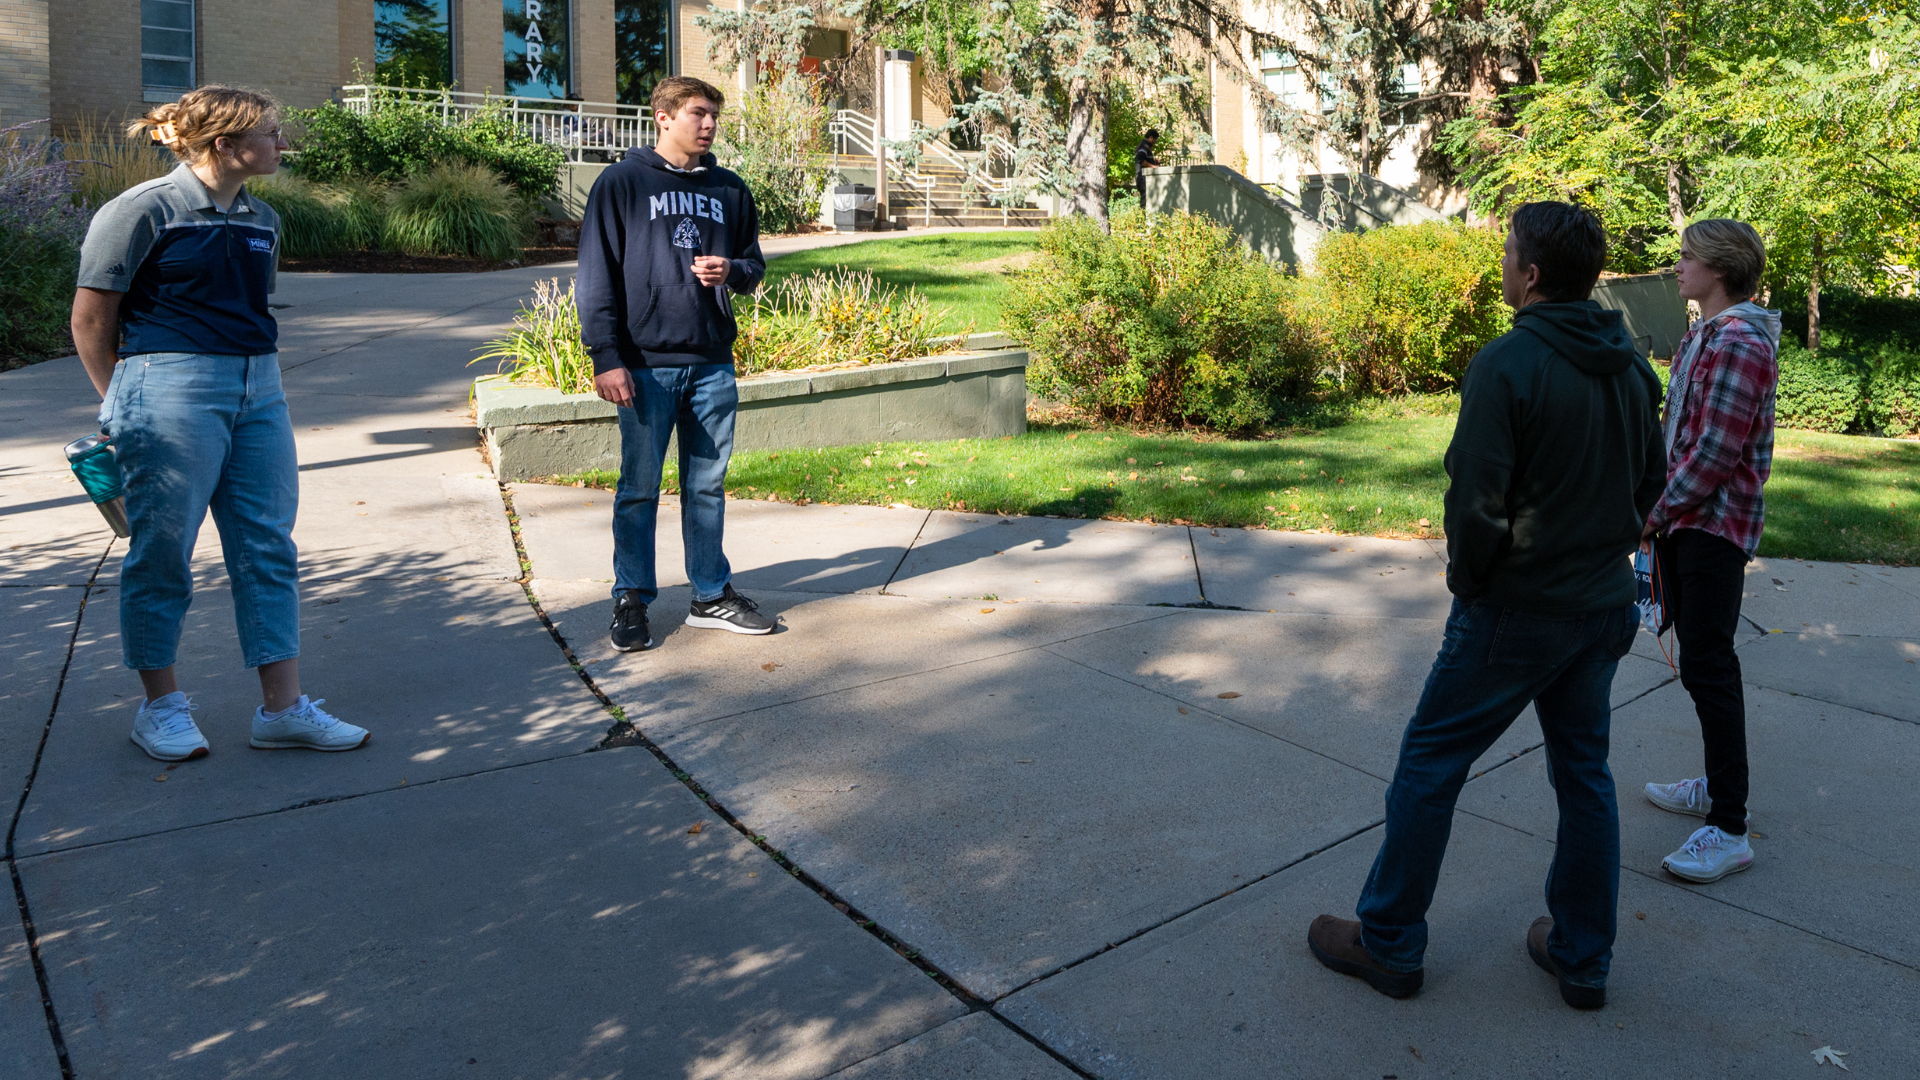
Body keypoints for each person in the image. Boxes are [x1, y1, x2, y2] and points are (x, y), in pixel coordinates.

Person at [1307, 202, 1665, 1010]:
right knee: (1586, 776)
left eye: (1508, 254)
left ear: (1531, 274)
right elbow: (1654, 483)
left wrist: (1474, 584)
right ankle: (1582, 958)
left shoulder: (1507, 364)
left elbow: (1475, 500)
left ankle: (1389, 942)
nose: (1501, 265)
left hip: (1517, 610)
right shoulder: (1633, 365)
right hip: (1604, 609)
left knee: (1430, 766)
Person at [71, 86, 370, 762]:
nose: (281, 143)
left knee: (268, 545)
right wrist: (119, 402)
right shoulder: (142, 210)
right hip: (167, 387)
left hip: (258, 386)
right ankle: (161, 708)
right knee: (162, 551)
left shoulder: (262, 217)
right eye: (268, 133)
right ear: (224, 146)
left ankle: (283, 710)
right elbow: (90, 321)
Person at [577, 76, 775, 652]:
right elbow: (596, 277)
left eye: (714, 114)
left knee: (706, 485)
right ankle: (631, 598)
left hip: (712, 362)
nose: (709, 124)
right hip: (643, 365)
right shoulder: (622, 182)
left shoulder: (730, 189)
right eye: (698, 113)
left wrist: (731, 272)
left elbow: (754, 266)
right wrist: (606, 358)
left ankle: (710, 595)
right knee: (638, 488)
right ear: (663, 117)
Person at [1641, 220, 1779, 884]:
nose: (1678, 265)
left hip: (1712, 526)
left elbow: (1717, 455)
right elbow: (1679, 434)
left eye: (1687, 257)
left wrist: (1652, 515)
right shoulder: (1705, 334)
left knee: (1710, 667)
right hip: (1687, 523)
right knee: (1699, 665)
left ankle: (1728, 827)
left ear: (1718, 271)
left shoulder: (1742, 342)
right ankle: (1714, 783)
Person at [1132, 128, 1161, 208]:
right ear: (1151, 137)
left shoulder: (1145, 146)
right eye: (1155, 139)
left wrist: (1154, 163)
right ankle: (1143, 218)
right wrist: (1154, 166)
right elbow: (1140, 160)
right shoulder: (1144, 146)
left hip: (1143, 178)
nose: (1155, 142)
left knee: (1148, 200)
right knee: (1145, 202)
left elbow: (1145, 161)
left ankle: (1144, 217)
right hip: (1142, 178)